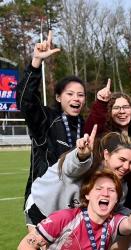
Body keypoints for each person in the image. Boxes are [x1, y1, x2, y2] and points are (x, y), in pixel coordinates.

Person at [18, 31, 85, 205]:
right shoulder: (45, 119)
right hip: (42, 200)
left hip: (73, 202)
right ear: (58, 97)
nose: (76, 98)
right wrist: (36, 63)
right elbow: (26, 100)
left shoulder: (84, 126)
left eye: (80, 95)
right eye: (70, 94)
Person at [24, 130, 131, 227]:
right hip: (42, 207)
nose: (127, 167)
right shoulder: (87, 163)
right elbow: (72, 167)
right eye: (122, 160)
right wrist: (82, 156)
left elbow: (116, 209)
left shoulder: (121, 185)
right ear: (106, 155)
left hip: (65, 221)